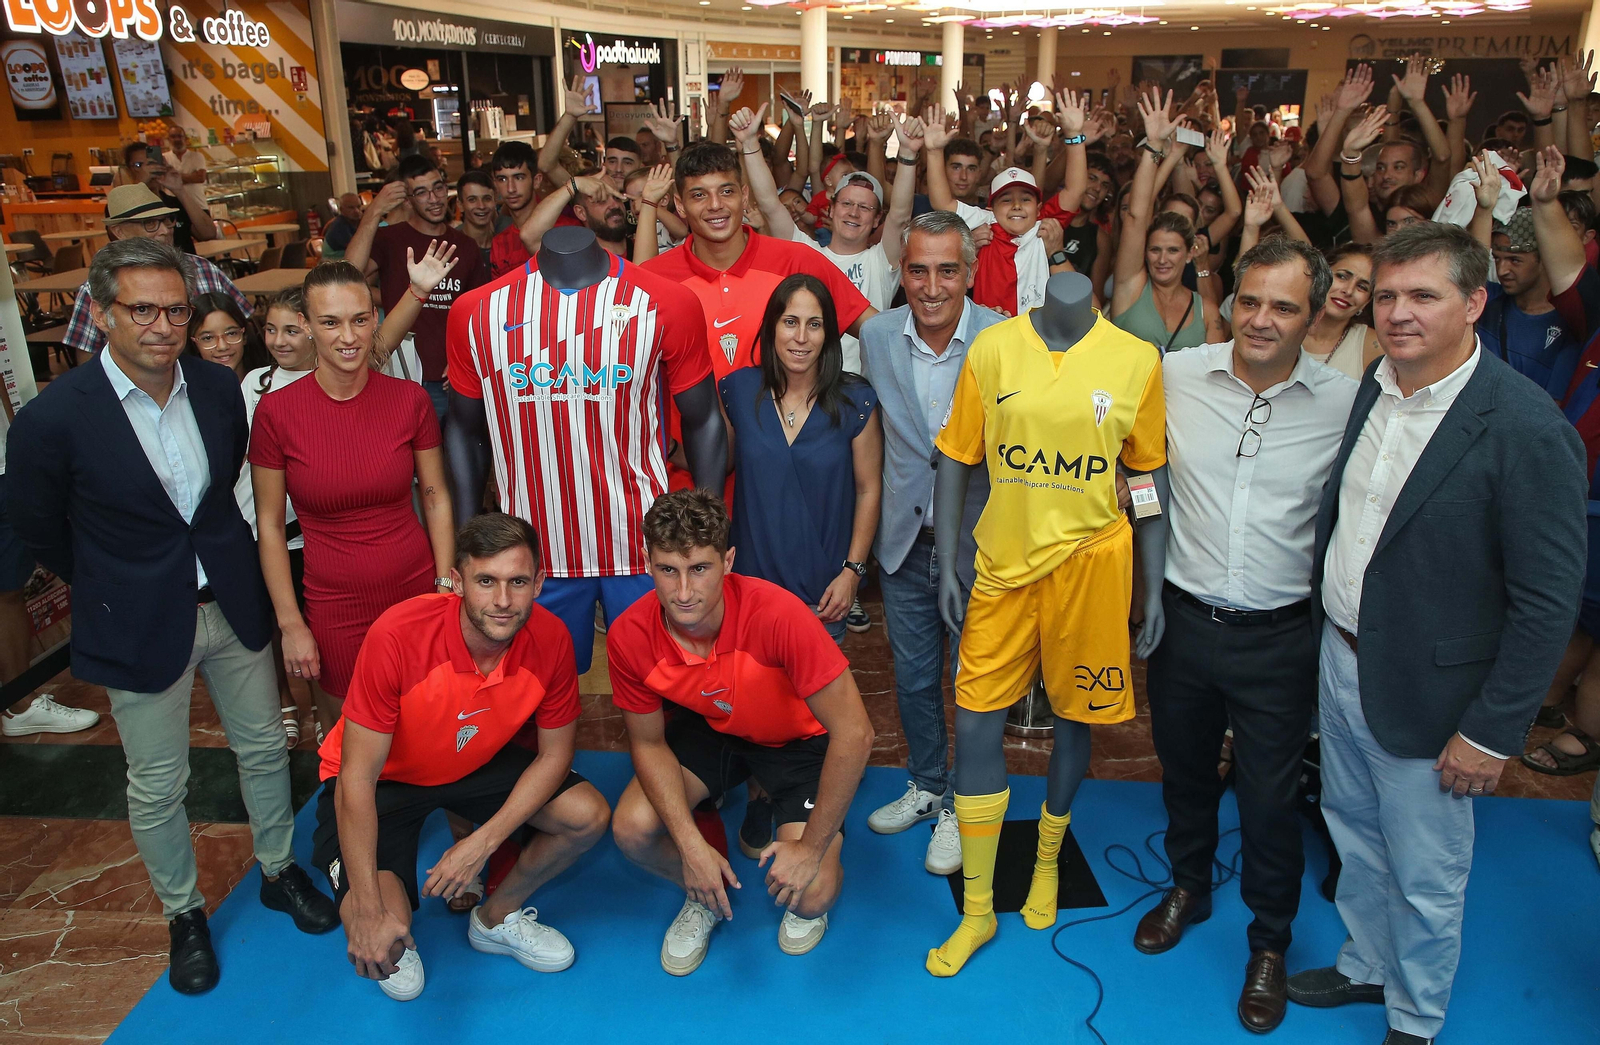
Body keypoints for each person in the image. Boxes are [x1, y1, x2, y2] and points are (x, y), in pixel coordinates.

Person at [5, 238, 338, 994]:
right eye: (142, 309)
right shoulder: (53, 419)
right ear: (100, 313)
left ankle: (279, 870)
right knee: (159, 781)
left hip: (231, 599)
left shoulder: (218, 392)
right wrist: (117, 578)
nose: (163, 325)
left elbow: (221, 497)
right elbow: (41, 528)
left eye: (176, 308)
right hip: (134, 616)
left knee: (262, 749)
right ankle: (184, 913)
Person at [1288, 222, 1587, 1045]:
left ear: (1475, 303)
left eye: (1424, 295)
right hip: (1344, 664)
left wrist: (1491, 732)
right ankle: (1366, 964)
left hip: (1438, 694)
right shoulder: (1375, 388)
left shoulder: (1525, 428)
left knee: (1427, 869)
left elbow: (1546, 601)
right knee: (1353, 830)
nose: (1398, 312)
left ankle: (1414, 1017)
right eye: (1386, 295)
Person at [1137, 238, 1357, 1034]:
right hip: (1184, 623)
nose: (1262, 320)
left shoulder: (1347, 401)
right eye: (1252, 300)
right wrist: (1144, 573)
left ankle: (1270, 942)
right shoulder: (1177, 374)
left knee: (1270, 800)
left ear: (1320, 311)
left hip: (1282, 638)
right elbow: (1140, 472)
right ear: (1231, 299)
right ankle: (1188, 888)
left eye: (1285, 306)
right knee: (1185, 774)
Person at [314, 512, 610, 1002]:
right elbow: (357, 778)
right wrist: (367, 910)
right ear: (457, 582)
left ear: (539, 582)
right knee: (385, 948)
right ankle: (376, 908)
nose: (502, 601)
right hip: (386, 780)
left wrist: (484, 843)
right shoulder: (397, 635)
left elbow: (555, 755)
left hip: (472, 762)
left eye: (518, 582)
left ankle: (495, 919)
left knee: (588, 816)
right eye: (485, 581)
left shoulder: (553, 638)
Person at [609, 489, 874, 974]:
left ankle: (773, 802)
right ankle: (702, 894)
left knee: (811, 896)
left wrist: (812, 848)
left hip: (799, 742)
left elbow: (856, 734)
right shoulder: (629, 635)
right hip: (719, 728)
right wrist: (692, 850)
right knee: (632, 829)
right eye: (668, 570)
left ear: (728, 561)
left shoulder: (779, 614)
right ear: (646, 563)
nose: (684, 591)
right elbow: (646, 742)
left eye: (699, 569)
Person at [858, 212, 1006, 874]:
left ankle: (963, 805)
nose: (932, 284)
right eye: (918, 269)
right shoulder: (879, 334)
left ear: (969, 273)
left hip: (981, 542)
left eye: (948, 269)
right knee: (914, 678)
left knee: (972, 685)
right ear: (903, 273)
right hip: (902, 539)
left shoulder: (1007, 338)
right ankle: (926, 783)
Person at [250, 260, 457, 729]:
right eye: (330, 322)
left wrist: (445, 588)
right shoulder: (277, 413)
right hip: (333, 604)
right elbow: (268, 527)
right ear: (306, 325)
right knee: (349, 742)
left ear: (375, 320)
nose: (349, 336)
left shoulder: (409, 400)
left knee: (424, 723)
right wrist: (290, 623)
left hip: (414, 592)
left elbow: (436, 496)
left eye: (360, 319)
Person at [717, 275, 882, 647]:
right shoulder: (738, 390)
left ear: (829, 335)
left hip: (823, 596)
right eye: (790, 322)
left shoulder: (855, 400)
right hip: (750, 593)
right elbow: (715, 464)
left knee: (815, 706)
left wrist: (853, 573)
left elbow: (869, 489)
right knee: (752, 703)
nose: (801, 337)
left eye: (815, 324)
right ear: (772, 326)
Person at [734, 105, 919, 374]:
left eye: (865, 207)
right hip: (808, 386)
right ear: (830, 209)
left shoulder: (881, 260)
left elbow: (901, 215)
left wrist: (908, 154)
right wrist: (750, 144)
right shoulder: (804, 252)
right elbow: (769, 204)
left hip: (863, 390)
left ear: (877, 220)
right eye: (846, 203)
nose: (854, 213)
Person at [344, 155, 488, 419]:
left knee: (456, 458)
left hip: (454, 377)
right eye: (421, 192)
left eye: (438, 188)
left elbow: (478, 311)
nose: (434, 199)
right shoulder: (390, 238)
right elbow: (347, 277)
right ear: (408, 200)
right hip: (402, 373)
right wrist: (375, 210)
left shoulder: (466, 245)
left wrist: (463, 358)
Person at [237, 287, 318, 747]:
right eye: (270, 329)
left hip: (310, 534)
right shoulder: (255, 383)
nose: (279, 340)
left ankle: (327, 710)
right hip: (258, 529)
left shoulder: (330, 380)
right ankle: (285, 702)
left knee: (315, 621)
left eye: (291, 329)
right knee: (269, 622)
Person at [926, 94, 1090, 317]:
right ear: (991, 208)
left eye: (1025, 199)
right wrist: (934, 152)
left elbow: (1075, 190)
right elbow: (941, 202)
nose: (1016, 206)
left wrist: (1074, 136)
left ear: (1039, 207)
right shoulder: (985, 223)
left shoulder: (1042, 228)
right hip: (990, 332)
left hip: (1035, 337)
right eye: (1006, 199)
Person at [63, 184, 250, 357]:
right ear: (119, 231)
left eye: (167, 220)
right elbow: (87, 358)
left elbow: (245, 326)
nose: (165, 231)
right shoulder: (95, 288)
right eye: (150, 223)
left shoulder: (204, 269)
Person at [1112, 89, 1226, 350]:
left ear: (1188, 254)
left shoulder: (1206, 310)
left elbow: (1212, 378)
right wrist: (1154, 146)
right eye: (1155, 250)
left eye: (1173, 250)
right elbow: (1136, 216)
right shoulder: (1132, 287)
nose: (1162, 259)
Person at [1467, 166, 1583, 398]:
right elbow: (1471, 270)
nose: (1502, 270)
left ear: (1543, 259)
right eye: (1498, 259)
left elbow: (1554, 409)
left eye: (1515, 260)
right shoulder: (1487, 301)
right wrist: (1484, 209)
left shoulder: (1568, 327)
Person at [1303, 243, 1383, 380]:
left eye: (1362, 287)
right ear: (1321, 276)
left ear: (1367, 302)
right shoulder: (1284, 324)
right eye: (1342, 276)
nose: (1348, 290)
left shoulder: (1374, 346)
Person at [121, 141, 217, 252]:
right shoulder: (121, 206)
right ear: (128, 170)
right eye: (138, 165)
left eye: (152, 163)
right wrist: (140, 184)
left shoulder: (173, 203)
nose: (148, 170)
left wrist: (179, 190)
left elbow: (209, 233)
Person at [486, 141, 544, 278]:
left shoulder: (564, 228)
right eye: (502, 179)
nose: (511, 188)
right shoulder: (499, 243)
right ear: (495, 184)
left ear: (536, 180)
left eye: (518, 177)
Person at [184, 292, 267, 380]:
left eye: (231, 333)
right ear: (194, 343)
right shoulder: (189, 390)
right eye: (208, 338)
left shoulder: (269, 383)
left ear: (244, 336)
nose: (222, 346)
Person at [454, 171, 504, 271]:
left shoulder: (505, 244)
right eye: (472, 199)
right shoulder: (453, 249)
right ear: (460, 204)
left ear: (495, 201)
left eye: (487, 199)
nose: (481, 206)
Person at [322, 193, 363, 261]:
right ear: (341, 209)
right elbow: (357, 248)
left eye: (358, 207)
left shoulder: (356, 221)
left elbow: (382, 226)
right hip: (333, 264)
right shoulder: (339, 226)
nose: (356, 211)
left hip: (347, 261)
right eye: (351, 208)